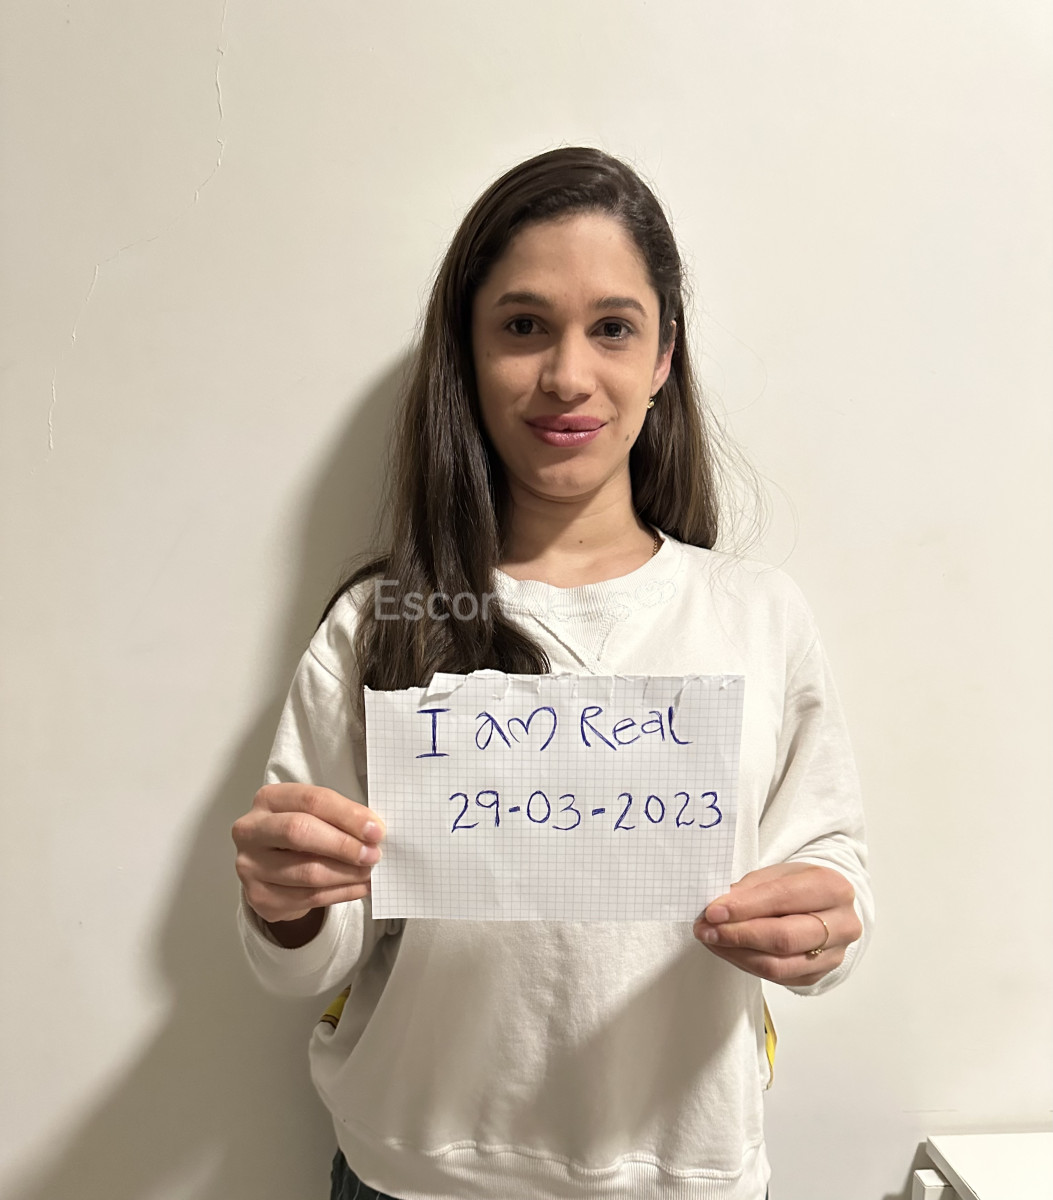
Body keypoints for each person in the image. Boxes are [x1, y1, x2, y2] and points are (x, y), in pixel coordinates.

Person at [232, 146, 871, 1200]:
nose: (569, 375)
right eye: (524, 325)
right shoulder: (382, 623)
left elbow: (829, 865)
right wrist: (286, 901)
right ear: (467, 354)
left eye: (612, 327)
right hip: (410, 1174)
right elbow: (310, 955)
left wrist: (825, 926)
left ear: (663, 356)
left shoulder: (755, 615)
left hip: (686, 1173)